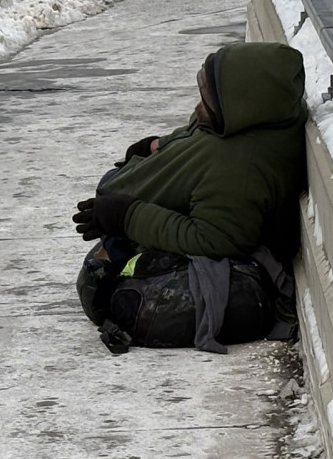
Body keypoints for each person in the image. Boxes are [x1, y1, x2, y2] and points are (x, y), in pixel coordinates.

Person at [71, 41, 308, 353]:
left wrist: (128, 216)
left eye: (209, 96)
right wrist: (158, 147)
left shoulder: (240, 167)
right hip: (187, 195)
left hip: (212, 236)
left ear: (242, 101)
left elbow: (214, 240)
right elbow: (197, 134)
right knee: (102, 256)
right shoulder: (256, 119)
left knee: (106, 286)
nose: (201, 103)